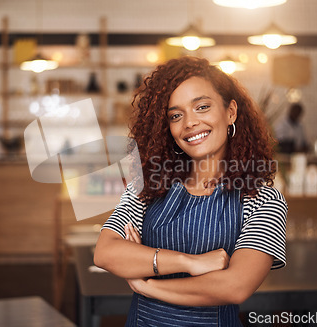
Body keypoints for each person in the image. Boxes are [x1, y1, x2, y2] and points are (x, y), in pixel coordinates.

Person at [93, 56, 288, 326]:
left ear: (230, 112)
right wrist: (190, 263)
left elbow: (235, 286)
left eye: (202, 107)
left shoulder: (262, 199)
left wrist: (148, 285)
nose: (189, 123)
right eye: (176, 115)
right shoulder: (148, 185)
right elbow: (106, 252)